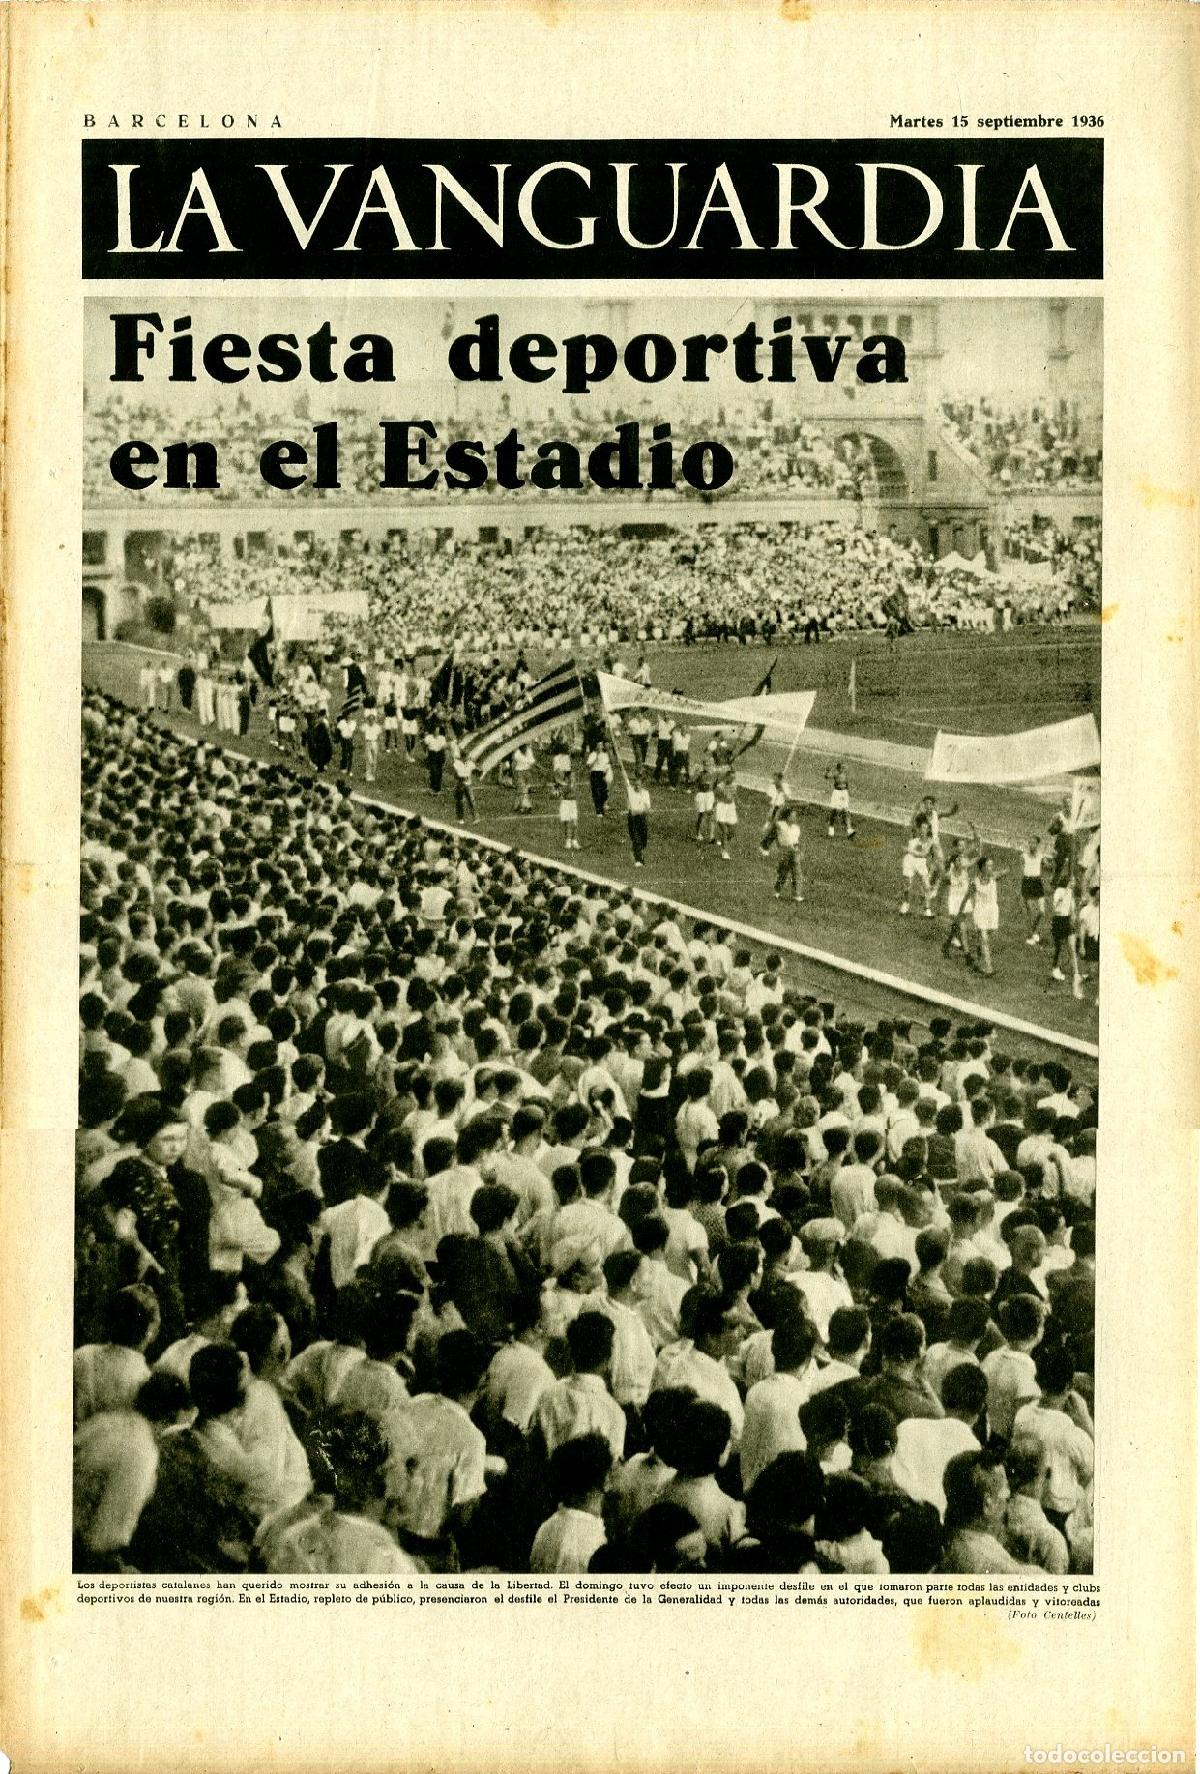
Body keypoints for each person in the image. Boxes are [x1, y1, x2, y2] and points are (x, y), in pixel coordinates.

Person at [900, 816, 936, 918]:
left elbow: (924, 854)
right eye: (922, 828)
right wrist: (909, 851)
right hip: (909, 861)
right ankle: (905, 904)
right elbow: (903, 848)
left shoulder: (930, 840)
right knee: (907, 883)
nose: (924, 830)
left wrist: (910, 851)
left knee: (926, 885)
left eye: (926, 828)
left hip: (920, 862)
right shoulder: (912, 836)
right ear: (919, 828)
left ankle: (927, 909)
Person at [1020, 836, 1047, 943]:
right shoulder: (1023, 856)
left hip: (1037, 883)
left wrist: (1052, 862)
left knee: (1041, 911)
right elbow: (1022, 872)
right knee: (1031, 911)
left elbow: (1048, 866)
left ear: (1037, 844)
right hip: (1027, 883)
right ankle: (1030, 936)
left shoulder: (1041, 856)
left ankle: (1034, 931)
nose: (1031, 845)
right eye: (1030, 842)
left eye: (1034, 843)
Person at [626, 769, 651, 868]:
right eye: (635, 785)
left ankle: (636, 852)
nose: (637, 786)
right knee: (636, 838)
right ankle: (638, 860)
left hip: (642, 817)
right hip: (632, 818)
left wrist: (642, 810)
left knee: (643, 839)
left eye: (639, 785)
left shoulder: (645, 793)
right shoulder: (630, 791)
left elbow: (647, 807)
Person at [826, 760, 855, 839]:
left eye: (844, 767)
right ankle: (831, 829)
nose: (843, 769)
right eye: (842, 767)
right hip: (837, 793)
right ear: (838, 768)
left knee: (846, 811)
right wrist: (828, 771)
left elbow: (847, 784)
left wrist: (847, 793)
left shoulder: (845, 775)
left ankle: (849, 830)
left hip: (844, 793)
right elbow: (827, 776)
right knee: (835, 811)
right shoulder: (836, 773)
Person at [714, 771, 738, 863]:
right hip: (722, 807)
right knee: (725, 831)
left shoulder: (734, 785)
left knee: (732, 831)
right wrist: (713, 807)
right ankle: (724, 852)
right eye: (731, 777)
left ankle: (723, 841)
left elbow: (734, 796)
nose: (732, 779)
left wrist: (738, 803)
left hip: (731, 808)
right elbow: (715, 796)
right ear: (726, 777)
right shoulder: (720, 787)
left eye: (734, 778)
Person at [558, 770, 580, 852]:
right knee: (567, 823)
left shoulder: (573, 784)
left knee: (575, 822)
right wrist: (567, 785)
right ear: (568, 777)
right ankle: (568, 841)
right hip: (565, 804)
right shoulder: (565, 785)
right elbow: (565, 794)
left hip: (573, 803)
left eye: (574, 776)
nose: (574, 778)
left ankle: (574, 840)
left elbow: (574, 794)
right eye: (572, 776)